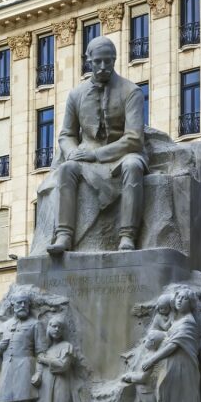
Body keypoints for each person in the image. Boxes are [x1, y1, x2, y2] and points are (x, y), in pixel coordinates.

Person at [41, 36, 147, 254]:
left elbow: (134, 138)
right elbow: (66, 134)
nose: (103, 67)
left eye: (108, 61)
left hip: (123, 154)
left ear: (115, 60)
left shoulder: (131, 91)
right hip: (86, 154)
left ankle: (127, 235)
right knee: (67, 169)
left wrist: (97, 155)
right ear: (88, 61)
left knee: (133, 167)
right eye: (98, 61)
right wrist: (71, 153)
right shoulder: (76, 95)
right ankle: (64, 235)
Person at [29, 315, 89, 402]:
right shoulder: (44, 351)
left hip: (61, 385)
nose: (57, 329)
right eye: (54, 326)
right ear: (48, 328)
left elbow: (63, 366)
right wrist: (36, 376)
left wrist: (46, 360)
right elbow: (38, 370)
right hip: (45, 387)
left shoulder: (67, 346)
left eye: (60, 327)